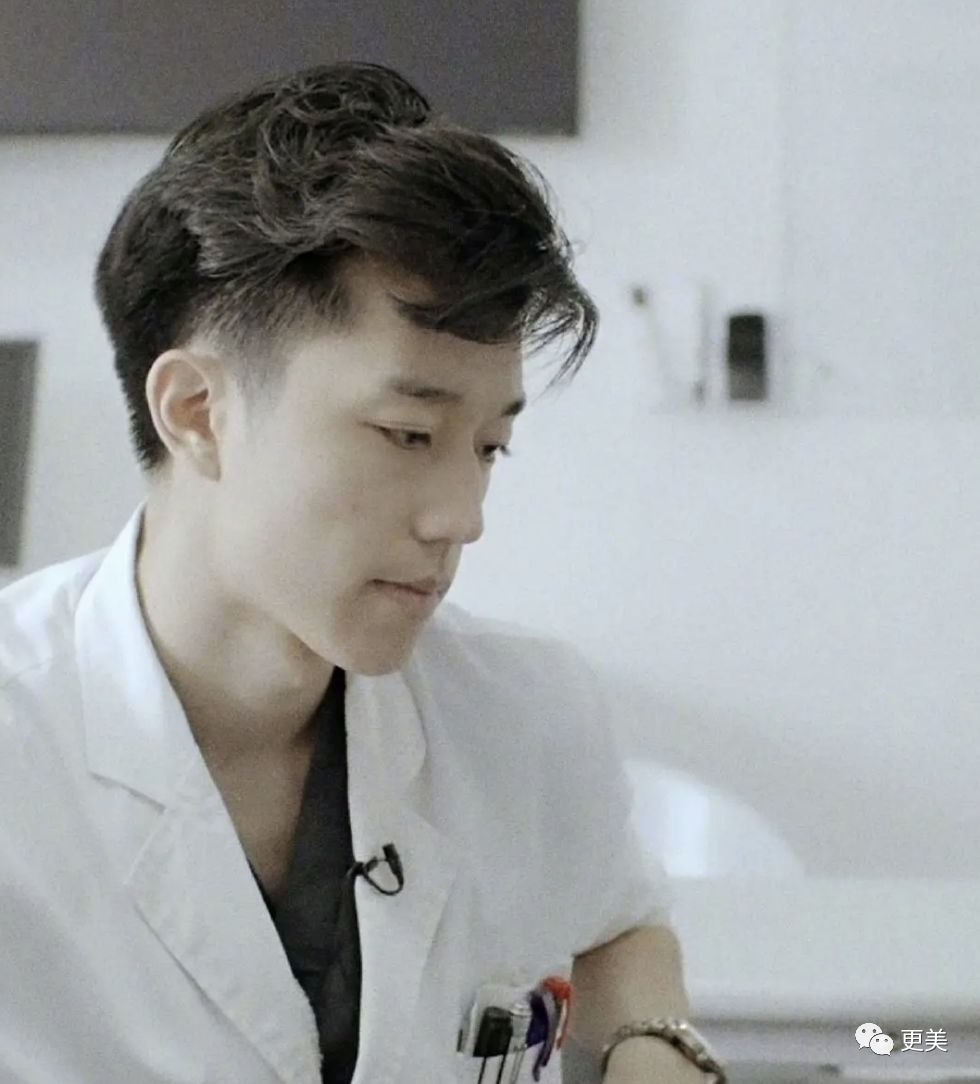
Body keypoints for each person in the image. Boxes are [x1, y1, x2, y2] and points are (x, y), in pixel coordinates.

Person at [0, 62, 716, 1084]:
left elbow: (618, 922)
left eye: (490, 446)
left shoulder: (524, 713)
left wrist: (656, 1046)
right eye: (407, 433)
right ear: (198, 413)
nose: (462, 517)